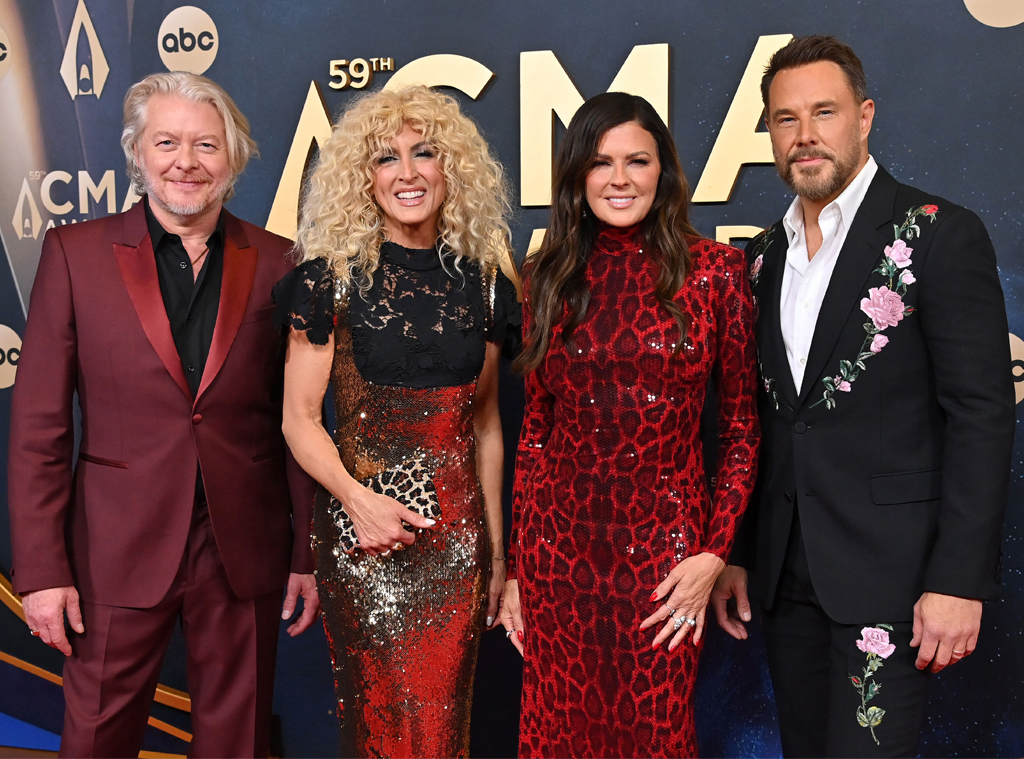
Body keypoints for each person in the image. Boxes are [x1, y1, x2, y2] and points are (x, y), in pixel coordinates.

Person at [710, 36, 1016, 757]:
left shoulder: (936, 233)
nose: (805, 135)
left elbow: (981, 415)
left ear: (865, 116)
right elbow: (761, 420)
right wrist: (739, 551)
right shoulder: (761, 257)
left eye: (824, 112)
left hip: (895, 582)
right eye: (786, 119)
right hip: (788, 581)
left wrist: (959, 580)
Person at [7, 72, 318, 757]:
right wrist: (42, 570)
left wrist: (306, 552)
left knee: (238, 743)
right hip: (113, 550)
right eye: (167, 142)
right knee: (95, 739)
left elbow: (295, 420)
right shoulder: (74, 254)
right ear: (138, 153)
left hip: (242, 548)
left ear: (233, 158)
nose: (187, 162)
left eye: (206, 144)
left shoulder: (280, 262)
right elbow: (38, 430)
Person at [500, 92, 760, 758]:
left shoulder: (716, 273)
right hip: (558, 559)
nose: (619, 179)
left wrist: (714, 552)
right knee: (560, 735)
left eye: (637, 161)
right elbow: (535, 432)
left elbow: (740, 430)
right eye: (600, 162)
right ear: (576, 177)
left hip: (667, 561)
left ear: (662, 170)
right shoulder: (544, 278)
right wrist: (519, 572)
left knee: (656, 735)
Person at [276, 85, 518, 757]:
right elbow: (299, 420)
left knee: (443, 728)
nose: (407, 172)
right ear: (365, 178)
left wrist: (497, 555)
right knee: (379, 725)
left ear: (452, 168)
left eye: (424, 153)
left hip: (457, 546)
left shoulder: (488, 284)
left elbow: (487, 425)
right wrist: (357, 502)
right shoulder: (329, 280)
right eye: (387, 157)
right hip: (363, 543)